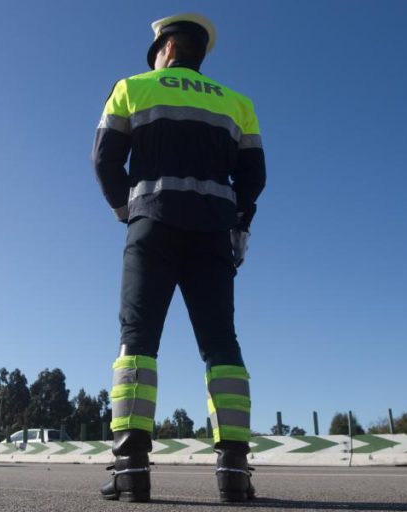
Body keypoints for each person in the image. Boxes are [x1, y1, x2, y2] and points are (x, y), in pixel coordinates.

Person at [91, 13, 266, 503]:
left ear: (165, 49)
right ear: (198, 54)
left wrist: (127, 209)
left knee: (138, 343)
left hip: (153, 226)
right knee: (221, 347)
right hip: (213, 233)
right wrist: (240, 222)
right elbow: (254, 176)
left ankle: (131, 471)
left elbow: (105, 159)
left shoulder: (132, 88)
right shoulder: (237, 103)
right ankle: (235, 472)